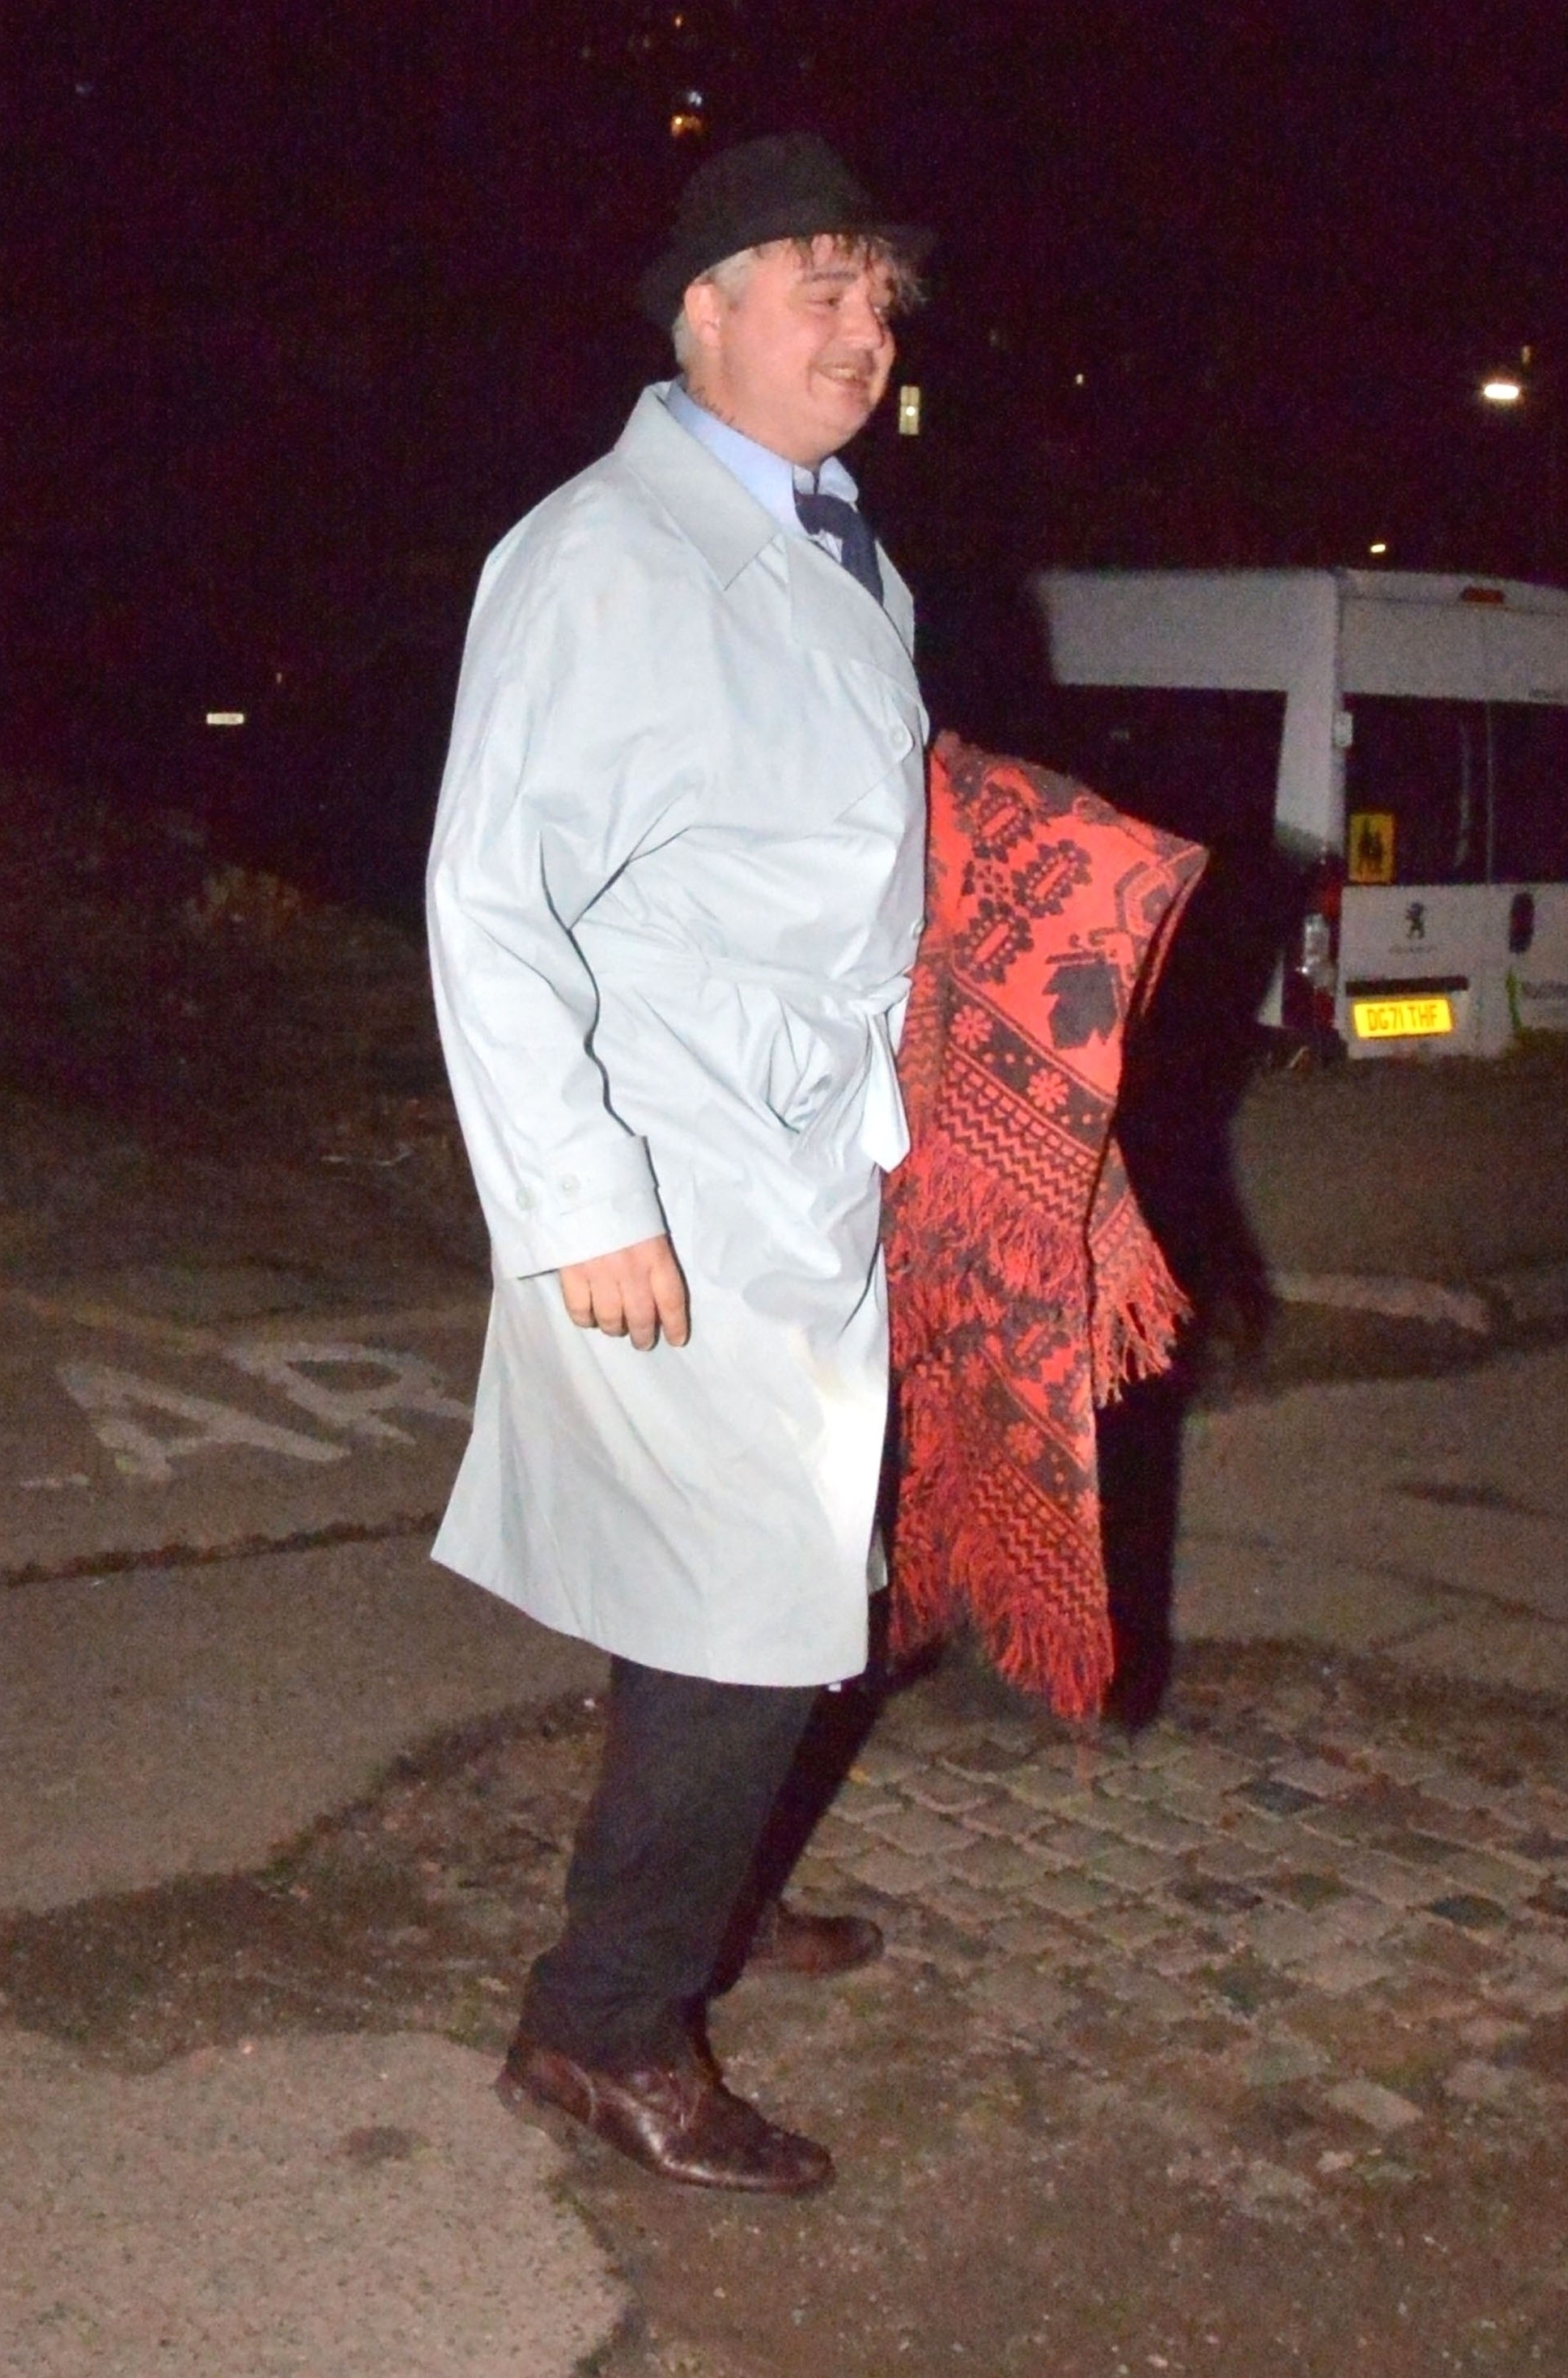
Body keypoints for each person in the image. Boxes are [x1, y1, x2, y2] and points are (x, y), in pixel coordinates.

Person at [426, 134, 930, 2195]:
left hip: (809, 1155)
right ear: (697, 311)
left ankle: (689, 1901)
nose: (862, 330)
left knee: (768, 1578)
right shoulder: (602, 555)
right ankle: (605, 2022)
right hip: (673, 1174)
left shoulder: (838, 542)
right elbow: (487, 897)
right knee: (746, 1612)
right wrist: (583, 1202)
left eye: (879, 297)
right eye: (815, 287)